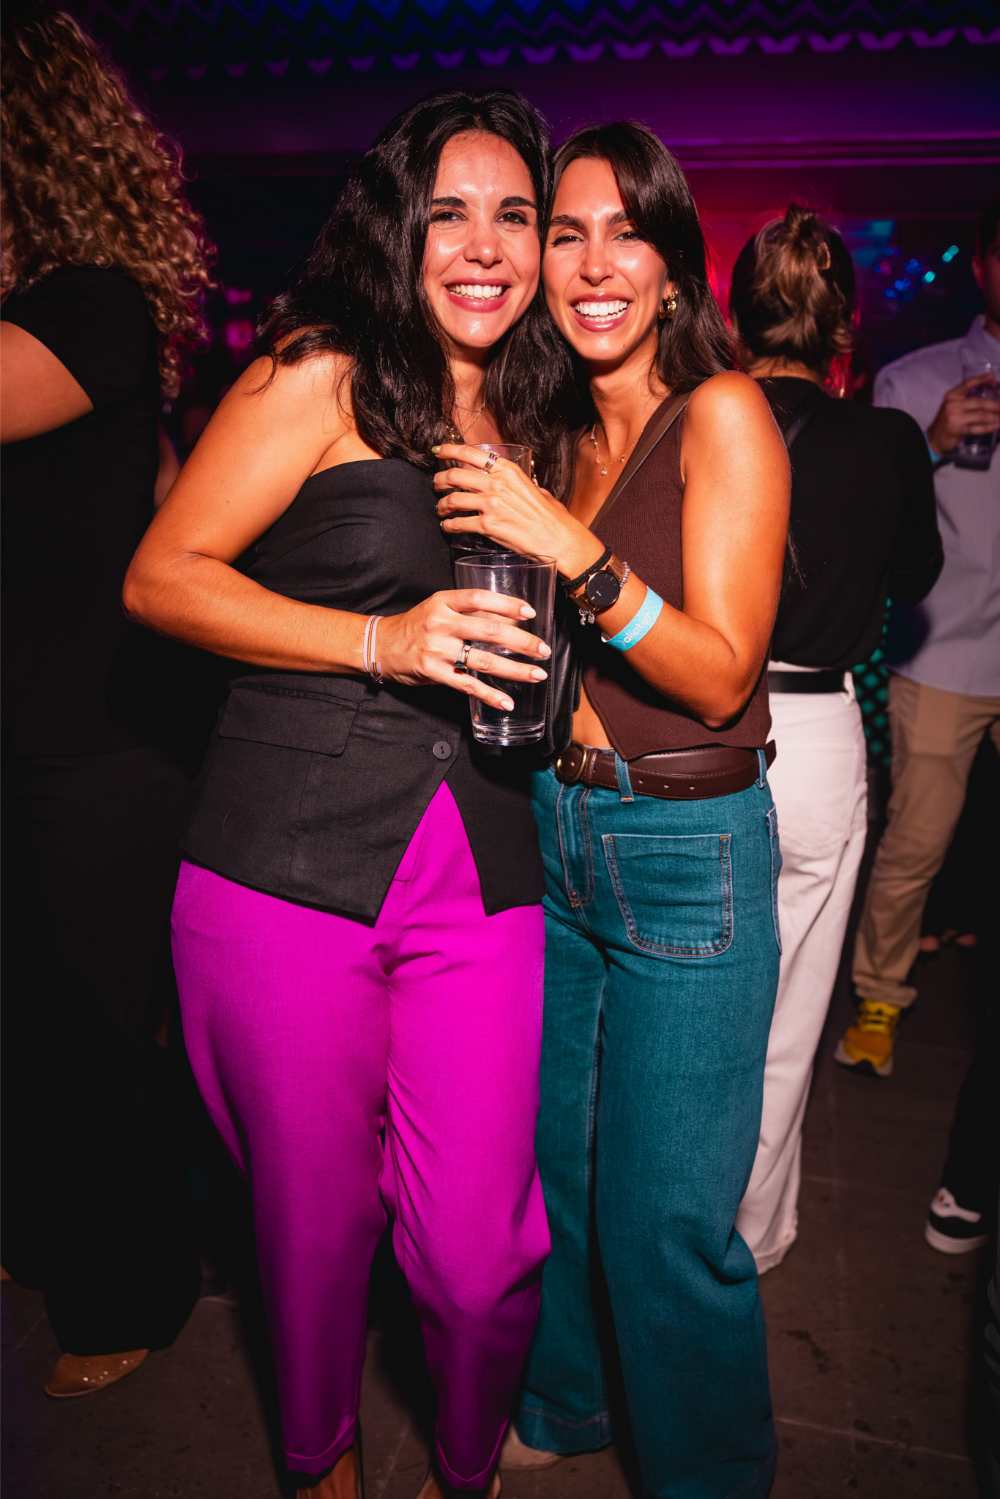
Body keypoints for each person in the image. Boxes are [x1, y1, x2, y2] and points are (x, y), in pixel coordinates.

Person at [123, 90, 562, 1499]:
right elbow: (162, 576)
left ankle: (465, 1464)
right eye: (451, 213)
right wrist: (381, 641)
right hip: (285, 869)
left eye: (515, 216)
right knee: (311, 1241)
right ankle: (322, 1468)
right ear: (397, 225)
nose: (485, 246)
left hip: (481, 864)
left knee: (482, 1259)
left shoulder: (541, 412)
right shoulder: (320, 371)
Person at [433, 121, 789, 1499]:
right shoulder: (565, 430)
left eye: (623, 234)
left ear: (673, 265)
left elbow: (720, 671)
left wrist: (571, 551)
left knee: (666, 1221)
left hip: (685, 847)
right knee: (560, 1172)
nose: (591, 266)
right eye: (565, 234)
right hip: (559, 832)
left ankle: (708, 1472)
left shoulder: (723, 411)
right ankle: (571, 1397)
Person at [1, 5, 213, 1397]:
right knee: (27, 1014)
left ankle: (136, 1284)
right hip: (28, 730)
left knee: (99, 1029)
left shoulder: (90, 305)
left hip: (98, 746)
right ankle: (41, 1224)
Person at [725, 205, 943, 1274]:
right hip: (812, 734)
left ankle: (653, 1224)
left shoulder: (695, 420)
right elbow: (918, 577)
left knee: (675, 1000)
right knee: (788, 1014)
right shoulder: (888, 441)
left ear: (735, 319)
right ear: (844, 328)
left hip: (698, 722)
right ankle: (747, 1237)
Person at [836, 194, 1000, 1086]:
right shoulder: (914, 381)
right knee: (914, 846)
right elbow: (874, 521)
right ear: (980, 266)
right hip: (946, 655)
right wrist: (932, 441)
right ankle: (878, 998)